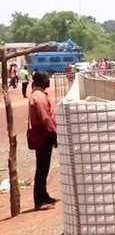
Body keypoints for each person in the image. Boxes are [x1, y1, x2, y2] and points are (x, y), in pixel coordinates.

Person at [27, 70, 59, 210]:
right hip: (43, 134)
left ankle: (44, 195)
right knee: (42, 168)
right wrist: (53, 133)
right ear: (41, 81)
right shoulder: (39, 97)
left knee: (44, 167)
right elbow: (45, 118)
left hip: (43, 133)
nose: (49, 81)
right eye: (46, 79)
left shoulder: (38, 95)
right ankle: (39, 200)